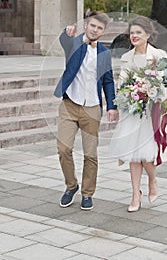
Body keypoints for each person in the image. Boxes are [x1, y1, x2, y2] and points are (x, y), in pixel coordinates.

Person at [110, 16, 167, 212]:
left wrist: (157, 94)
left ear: (148, 35)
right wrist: (130, 95)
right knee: (133, 155)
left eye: (138, 32)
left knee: (148, 156)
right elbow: (122, 86)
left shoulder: (158, 55)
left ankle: (152, 180)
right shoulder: (126, 58)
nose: (134, 36)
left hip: (153, 112)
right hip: (133, 112)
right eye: (132, 33)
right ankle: (134, 195)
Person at [54, 12, 118, 211]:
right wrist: (66, 33)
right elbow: (64, 40)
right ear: (86, 24)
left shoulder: (104, 53)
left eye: (99, 28)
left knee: (90, 154)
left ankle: (87, 193)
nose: (95, 30)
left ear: (103, 31)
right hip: (69, 105)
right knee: (63, 149)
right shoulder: (74, 44)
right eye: (92, 26)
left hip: (92, 108)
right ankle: (71, 186)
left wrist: (112, 106)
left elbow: (108, 80)